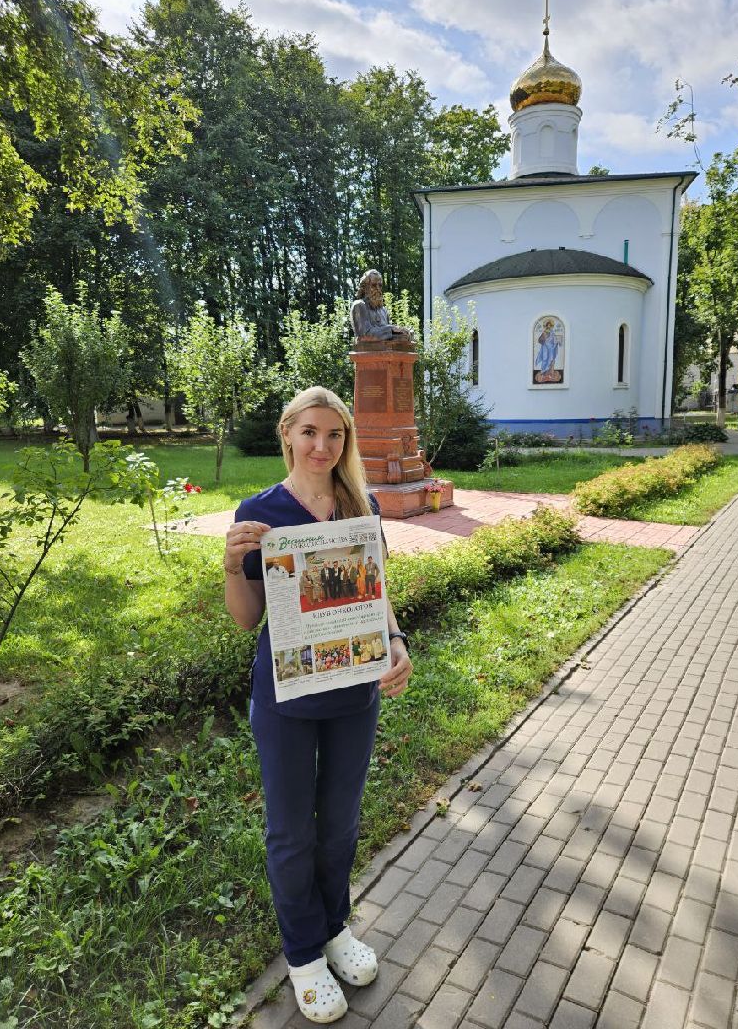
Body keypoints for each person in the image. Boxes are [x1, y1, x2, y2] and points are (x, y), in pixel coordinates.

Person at [224, 386, 412, 1025]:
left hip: (354, 696)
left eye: (334, 435)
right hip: (285, 702)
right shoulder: (260, 513)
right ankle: (303, 953)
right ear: (288, 436)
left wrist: (395, 639)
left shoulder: (363, 507)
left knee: (338, 825)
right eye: (310, 432)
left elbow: (376, 591)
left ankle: (334, 928)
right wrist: (230, 567)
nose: (322, 446)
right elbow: (247, 619)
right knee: (291, 831)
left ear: (345, 441)